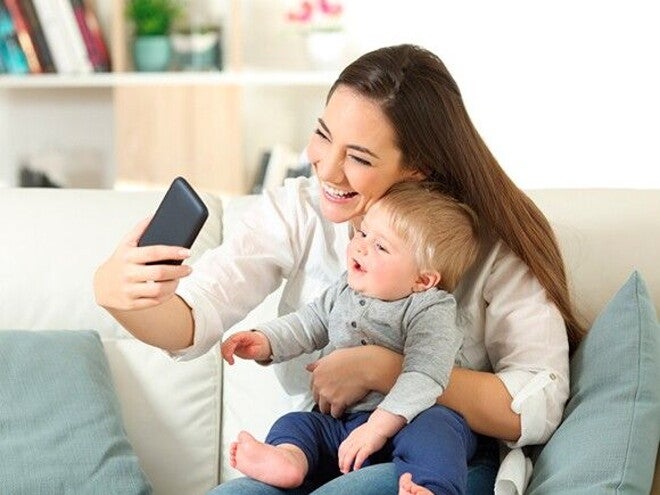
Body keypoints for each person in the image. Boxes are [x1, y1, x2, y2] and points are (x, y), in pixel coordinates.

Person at [94, 44, 581, 495]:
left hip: (437, 460)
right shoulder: (300, 211)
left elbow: (538, 401)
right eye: (324, 135)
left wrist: (385, 368)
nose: (326, 170)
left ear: (420, 170)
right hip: (329, 445)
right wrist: (118, 294)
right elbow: (196, 318)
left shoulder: (486, 247)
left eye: (359, 157)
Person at [220, 182, 480, 495]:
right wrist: (265, 340)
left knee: (440, 428)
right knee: (297, 423)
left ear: (422, 280)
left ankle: (431, 487)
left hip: (407, 422)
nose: (361, 247)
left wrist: (377, 427)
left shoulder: (431, 308)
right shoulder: (345, 288)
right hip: (342, 424)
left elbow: (425, 375)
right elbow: (310, 322)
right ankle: (289, 459)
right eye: (362, 233)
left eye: (381, 247)